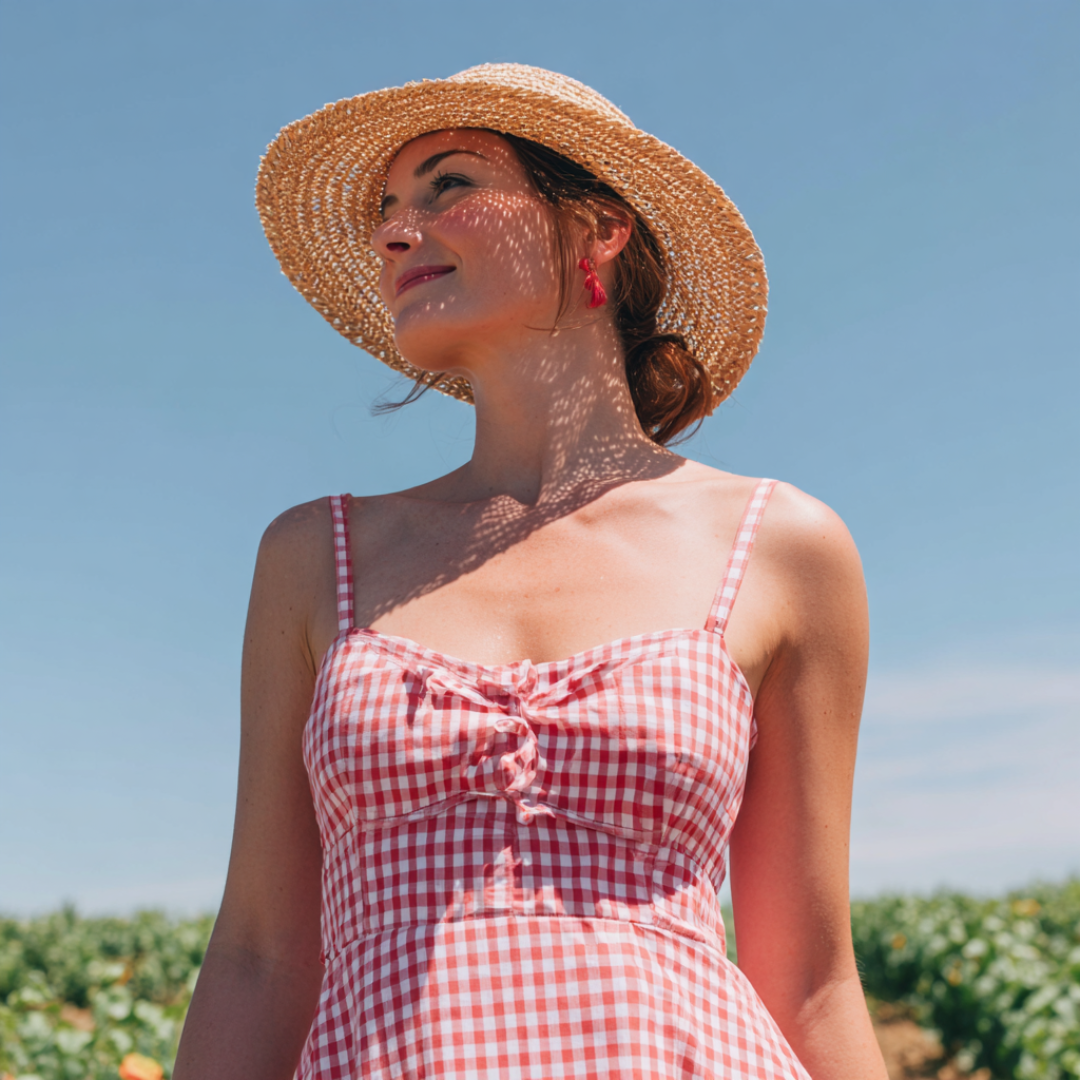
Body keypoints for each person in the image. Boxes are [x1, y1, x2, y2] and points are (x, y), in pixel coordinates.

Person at [174, 64, 888, 1080]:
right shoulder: (315, 556)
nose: (394, 229)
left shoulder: (781, 546)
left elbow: (812, 978)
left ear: (596, 231)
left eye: (448, 184)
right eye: (386, 207)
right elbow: (257, 956)